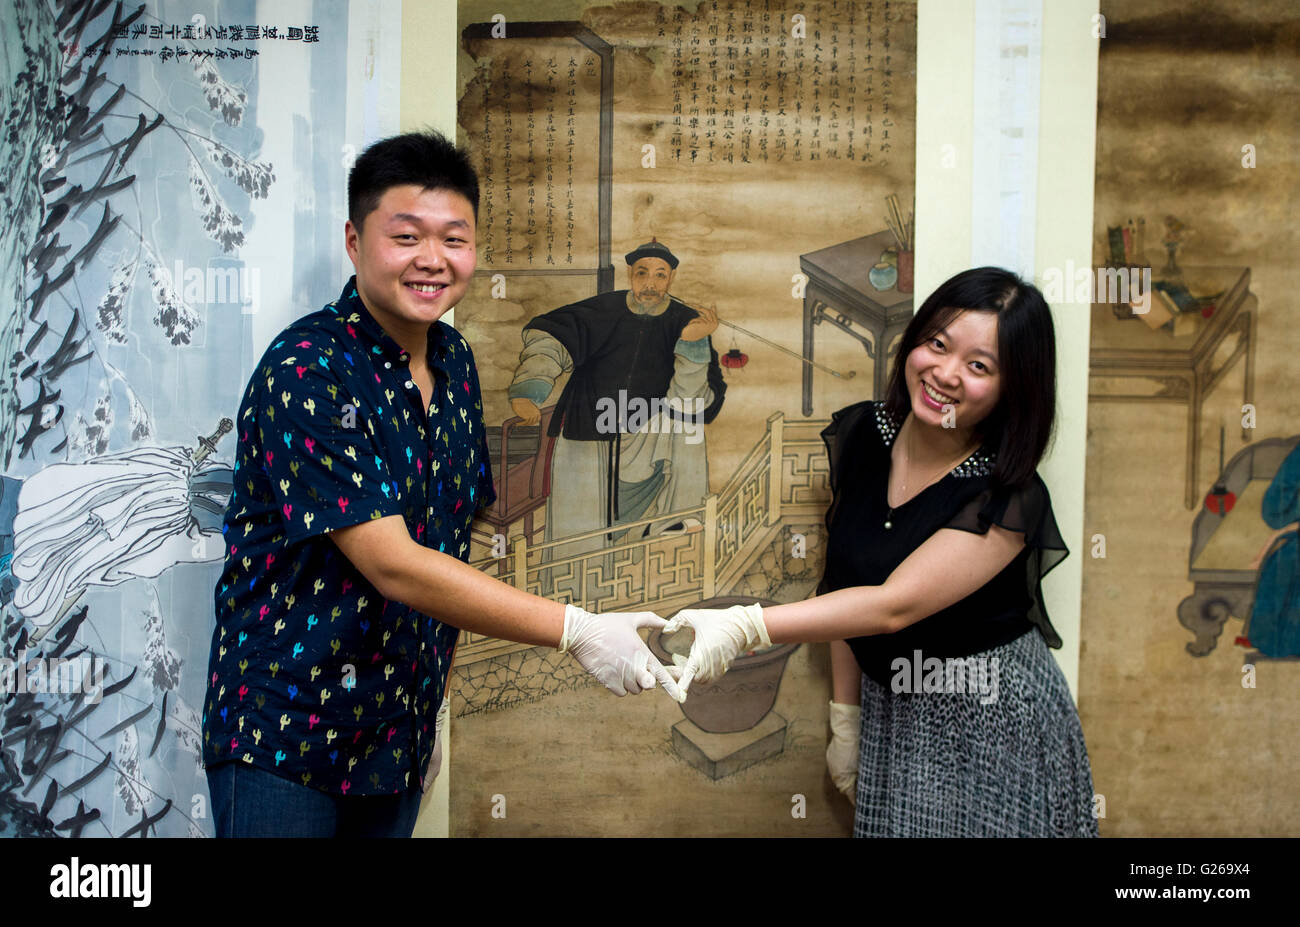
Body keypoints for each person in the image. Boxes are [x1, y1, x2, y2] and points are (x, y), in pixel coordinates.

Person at [200, 131, 683, 838]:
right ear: (354, 242)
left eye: (454, 238)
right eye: (406, 236)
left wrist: (433, 710)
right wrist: (575, 629)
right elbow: (394, 562)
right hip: (284, 732)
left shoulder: (454, 360)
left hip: (395, 738)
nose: (432, 259)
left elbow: (452, 538)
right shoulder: (307, 368)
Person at [666, 267, 1098, 837]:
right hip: (896, 710)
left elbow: (892, 605)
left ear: (1012, 387)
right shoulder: (866, 435)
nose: (943, 373)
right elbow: (846, 581)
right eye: (937, 344)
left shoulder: (1006, 496)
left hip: (989, 717)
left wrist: (747, 626)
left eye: (978, 366)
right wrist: (845, 717)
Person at [507, 239, 726, 559]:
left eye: (660, 275)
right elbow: (552, 339)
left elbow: (692, 402)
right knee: (580, 543)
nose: (650, 284)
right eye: (642, 273)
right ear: (630, 274)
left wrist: (692, 345)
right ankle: (575, 579)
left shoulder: (687, 321)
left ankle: (676, 521)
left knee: (689, 431)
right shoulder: (602, 310)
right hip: (591, 428)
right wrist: (530, 390)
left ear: (671, 279)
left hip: (647, 436)